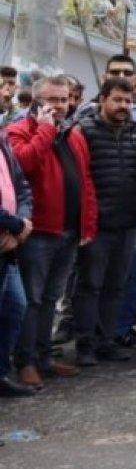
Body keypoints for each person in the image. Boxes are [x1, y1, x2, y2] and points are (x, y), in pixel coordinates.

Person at [9, 76, 98, 387]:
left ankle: (45, 357)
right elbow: (23, 165)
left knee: (50, 299)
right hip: (37, 233)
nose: (60, 106)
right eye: (53, 100)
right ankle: (25, 361)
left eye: (64, 99)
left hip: (68, 232)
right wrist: (45, 130)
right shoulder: (19, 131)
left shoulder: (74, 135)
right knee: (30, 300)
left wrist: (87, 224)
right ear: (36, 102)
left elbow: (85, 181)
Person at [72, 78, 136, 367]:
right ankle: (85, 343)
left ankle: (107, 341)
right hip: (96, 225)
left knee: (116, 286)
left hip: (128, 223)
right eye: (117, 100)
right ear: (103, 99)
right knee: (90, 285)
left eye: (128, 101)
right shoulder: (85, 131)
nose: (123, 106)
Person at [0, 128, 34, 396]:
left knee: (14, 308)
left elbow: (21, 187)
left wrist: (21, 225)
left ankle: (1, 373)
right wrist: (16, 225)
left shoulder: (2, 138)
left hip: (9, 243)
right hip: (5, 233)